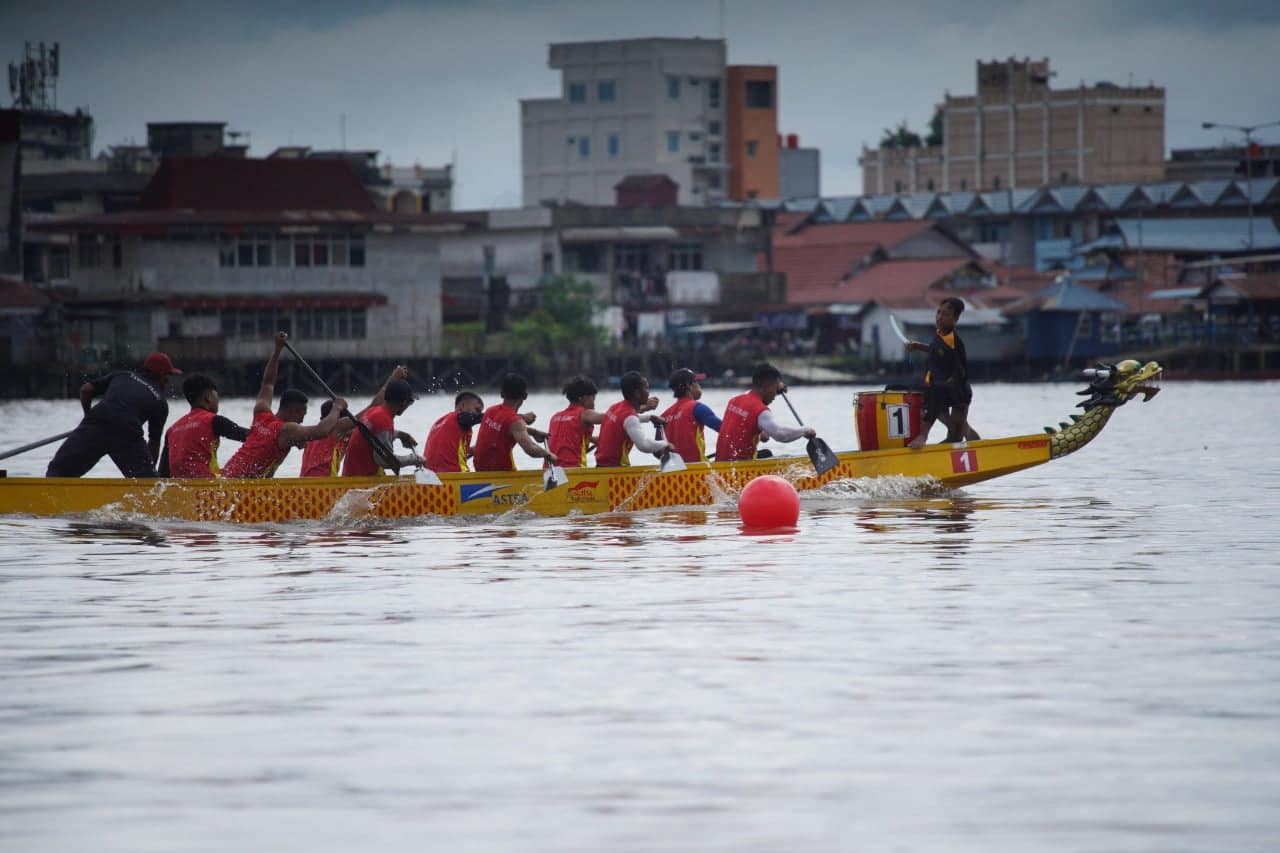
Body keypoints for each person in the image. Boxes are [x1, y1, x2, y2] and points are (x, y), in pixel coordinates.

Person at [221, 333, 348, 479]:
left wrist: (277, 350)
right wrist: (337, 408)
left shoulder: (261, 413)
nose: (301, 421)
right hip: (244, 486)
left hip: (228, 475)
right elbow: (321, 431)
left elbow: (268, 382)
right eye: (302, 415)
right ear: (294, 411)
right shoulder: (287, 429)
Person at [47, 351, 182, 478]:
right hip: (127, 433)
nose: (168, 381)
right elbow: (154, 443)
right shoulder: (160, 402)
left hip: (97, 421)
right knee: (146, 484)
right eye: (168, 376)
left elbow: (86, 390)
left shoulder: (122, 375)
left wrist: (88, 420)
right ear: (161, 375)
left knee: (58, 470)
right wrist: (149, 470)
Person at [299, 365, 409, 477]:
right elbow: (373, 407)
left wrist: (398, 434)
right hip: (323, 489)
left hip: (305, 484)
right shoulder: (336, 429)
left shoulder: (315, 433)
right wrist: (393, 377)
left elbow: (369, 432)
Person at [904, 297, 980, 448]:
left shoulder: (953, 339)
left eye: (946, 315)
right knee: (955, 435)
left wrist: (947, 384)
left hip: (957, 392)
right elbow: (937, 350)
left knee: (934, 394)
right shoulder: (940, 334)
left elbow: (961, 370)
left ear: (956, 319)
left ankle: (922, 437)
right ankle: (962, 431)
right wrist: (919, 346)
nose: (940, 317)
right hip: (944, 389)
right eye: (939, 312)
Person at [715, 363, 817, 462]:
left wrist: (760, 434)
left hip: (720, 466)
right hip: (740, 471)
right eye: (775, 388)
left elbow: (746, 421)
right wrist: (805, 430)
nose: (774, 396)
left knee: (766, 454)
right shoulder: (761, 411)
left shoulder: (734, 400)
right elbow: (780, 434)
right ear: (767, 387)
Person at [158, 374, 250, 478]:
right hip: (207, 487)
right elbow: (250, 437)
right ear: (208, 397)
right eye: (216, 395)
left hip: (179, 488)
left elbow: (162, 474)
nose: (218, 400)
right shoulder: (213, 420)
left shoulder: (172, 429)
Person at [472, 373, 554, 471]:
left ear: (502, 394)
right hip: (502, 475)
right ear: (525, 396)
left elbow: (505, 428)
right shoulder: (515, 421)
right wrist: (549, 454)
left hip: (479, 471)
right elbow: (531, 449)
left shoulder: (490, 411)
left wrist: (534, 432)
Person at [340, 378, 422, 476]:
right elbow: (387, 461)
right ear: (404, 403)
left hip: (350, 475)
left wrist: (400, 435)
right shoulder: (384, 420)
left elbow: (375, 436)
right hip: (361, 483)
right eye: (410, 402)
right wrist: (415, 459)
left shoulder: (374, 411)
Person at [594, 370, 671, 468]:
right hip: (616, 472)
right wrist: (665, 445)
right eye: (646, 388)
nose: (649, 392)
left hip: (600, 467)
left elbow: (624, 422)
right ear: (637, 393)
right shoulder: (629, 417)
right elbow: (644, 445)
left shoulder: (614, 407)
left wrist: (649, 418)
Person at [660, 367, 722, 463]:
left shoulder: (664, 415)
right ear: (689, 385)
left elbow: (657, 451)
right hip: (697, 470)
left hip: (672, 471)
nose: (699, 386)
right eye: (696, 382)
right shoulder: (697, 408)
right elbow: (723, 429)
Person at [546, 375, 607, 468]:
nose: (594, 404)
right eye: (593, 399)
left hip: (549, 471)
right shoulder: (584, 414)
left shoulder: (555, 417)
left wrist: (597, 440)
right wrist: (629, 414)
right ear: (582, 398)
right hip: (573, 471)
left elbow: (568, 442)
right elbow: (608, 418)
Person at [422, 390, 485, 473]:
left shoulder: (440, 421)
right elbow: (478, 418)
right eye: (477, 410)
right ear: (462, 406)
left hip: (430, 476)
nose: (478, 414)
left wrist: (470, 450)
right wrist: (494, 416)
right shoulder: (461, 418)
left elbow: (446, 452)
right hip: (452, 477)